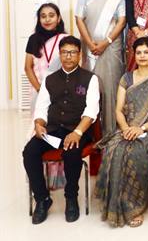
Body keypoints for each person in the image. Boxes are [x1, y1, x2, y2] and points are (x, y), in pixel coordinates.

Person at [94, 37, 148, 228]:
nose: (142, 56)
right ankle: (114, 202)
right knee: (114, 148)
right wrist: (126, 128)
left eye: (146, 52)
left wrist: (141, 129)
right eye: (139, 53)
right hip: (127, 126)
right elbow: (119, 110)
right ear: (134, 55)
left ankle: (133, 206)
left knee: (134, 151)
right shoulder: (126, 78)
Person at [23, 36, 100, 224]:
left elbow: (92, 110)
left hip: (77, 129)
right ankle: (42, 198)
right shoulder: (50, 79)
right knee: (30, 152)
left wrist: (77, 133)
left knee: (72, 152)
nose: (68, 56)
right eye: (65, 52)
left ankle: (71, 198)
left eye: (73, 52)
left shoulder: (90, 79)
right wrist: (39, 124)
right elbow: (41, 108)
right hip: (52, 130)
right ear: (60, 54)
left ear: (79, 55)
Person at [75, 0, 127, 137]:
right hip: (89, 45)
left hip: (111, 46)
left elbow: (122, 20)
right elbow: (79, 19)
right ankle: (90, 133)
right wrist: (90, 44)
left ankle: (111, 133)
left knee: (111, 87)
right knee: (90, 87)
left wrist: (106, 42)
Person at [25, 3, 68, 108]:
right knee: (39, 117)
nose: (47, 19)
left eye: (51, 15)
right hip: (38, 88)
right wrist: (39, 89)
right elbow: (28, 67)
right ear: (39, 20)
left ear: (58, 18)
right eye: (43, 16)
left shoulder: (66, 39)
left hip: (62, 90)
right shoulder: (33, 39)